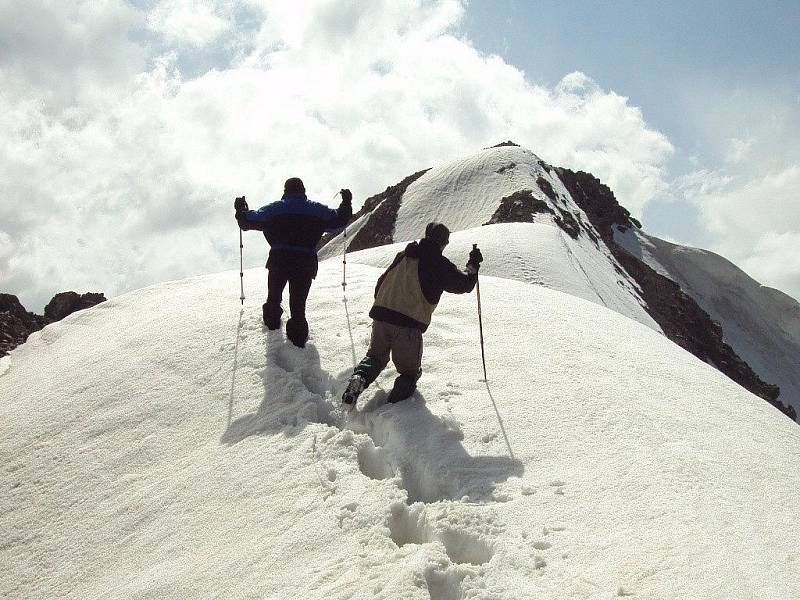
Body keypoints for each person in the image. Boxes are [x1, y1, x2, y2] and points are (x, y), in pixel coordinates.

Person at [342, 222, 483, 406]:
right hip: (408, 325)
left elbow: (381, 282)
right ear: (443, 243)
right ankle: (393, 410)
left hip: (382, 315)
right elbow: (464, 284)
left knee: (375, 357)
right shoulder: (438, 264)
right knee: (409, 372)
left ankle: (359, 379)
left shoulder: (403, 255)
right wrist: (473, 264)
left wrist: (384, 304)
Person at [234, 177, 352, 347]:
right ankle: (298, 343)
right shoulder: (317, 210)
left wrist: (241, 208)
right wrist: (346, 203)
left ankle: (272, 328)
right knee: (298, 305)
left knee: (274, 297)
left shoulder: (274, 209)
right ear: (303, 190)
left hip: (279, 260)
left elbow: (247, 222)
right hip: (305, 262)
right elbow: (339, 222)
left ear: (285, 191)